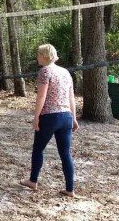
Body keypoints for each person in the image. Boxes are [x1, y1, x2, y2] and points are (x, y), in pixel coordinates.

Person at [20, 43, 78, 197]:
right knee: (65, 153)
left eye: (38, 54)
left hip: (50, 117)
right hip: (66, 116)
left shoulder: (45, 71)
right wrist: (74, 117)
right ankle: (70, 189)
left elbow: (41, 96)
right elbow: (71, 97)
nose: (37, 57)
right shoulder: (65, 72)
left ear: (44, 56)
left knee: (38, 149)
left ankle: (33, 181)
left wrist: (36, 117)